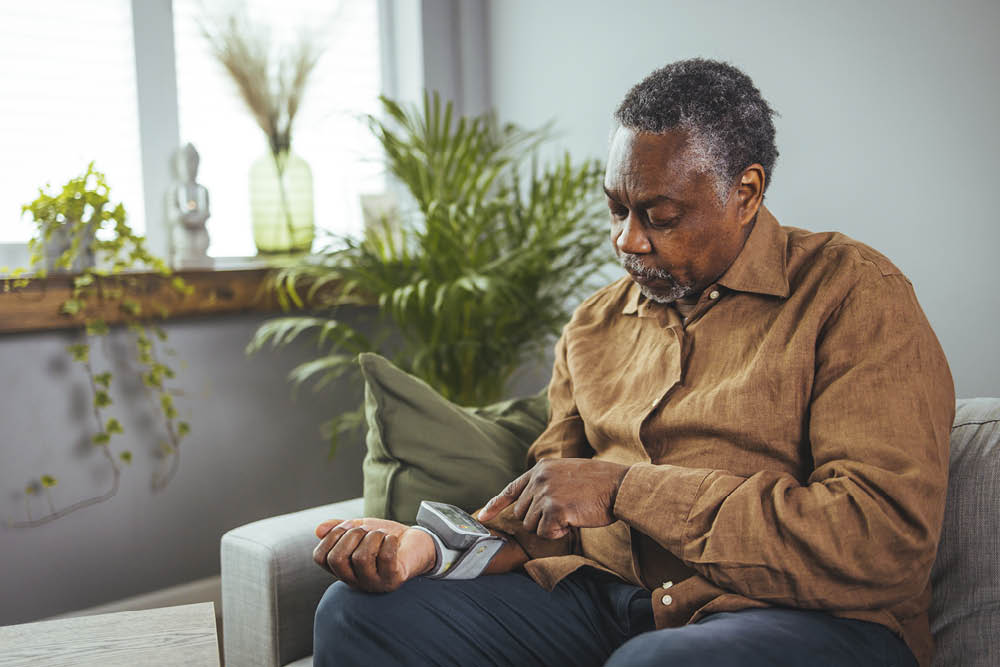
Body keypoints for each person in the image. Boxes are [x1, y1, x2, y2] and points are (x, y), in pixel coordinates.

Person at [310, 58, 953, 667]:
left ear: (747, 192)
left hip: (801, 615)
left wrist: (625, 489)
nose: (627, 240)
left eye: (660, 216)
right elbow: (545, 512)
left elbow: (881, 541)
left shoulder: (851, 292)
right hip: (606, 599)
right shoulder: (595, 324)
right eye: (617, 208)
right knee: (357, 614)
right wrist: (426, 549)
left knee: (657, 662)